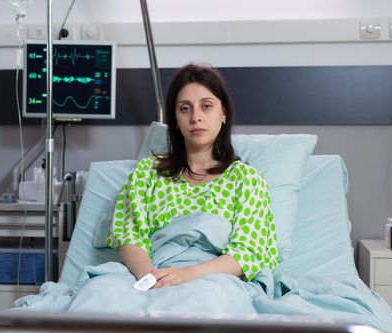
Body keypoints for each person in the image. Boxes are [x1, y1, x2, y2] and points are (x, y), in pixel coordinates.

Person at [105, 63, 278, 288]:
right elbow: (130, 238)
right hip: (149, 276)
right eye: (185, 108)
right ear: (175, 119)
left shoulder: (247, 180)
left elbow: (247, 253)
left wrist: (187, 275)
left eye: (206, 106)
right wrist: (151, 278)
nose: (196, 117)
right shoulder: (146, 174)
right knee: (100, 295)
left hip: (214, 281)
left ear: (223, 113)